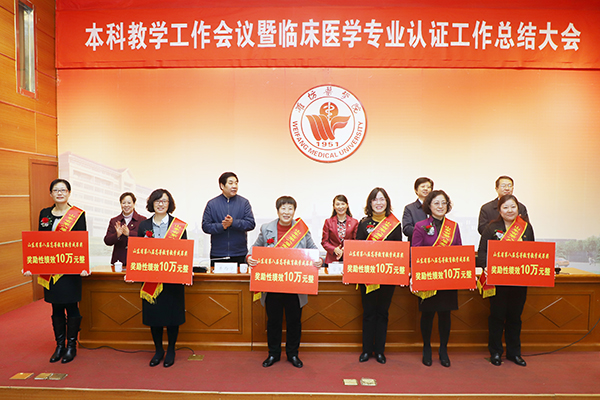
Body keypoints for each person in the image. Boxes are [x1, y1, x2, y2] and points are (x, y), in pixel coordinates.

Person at [247, 196, 323, 369]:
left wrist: (318, 260)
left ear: (294, 211)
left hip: (295, 285)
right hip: (273, 284)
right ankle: (273, 354)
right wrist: (249, 257)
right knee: (273, 321)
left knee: (294, 321)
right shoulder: (267, 228)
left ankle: (292, 354)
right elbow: (254, 249)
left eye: (290, 209)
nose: (286, 212)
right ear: (278, 210)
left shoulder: (302, 230)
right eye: (283, 208)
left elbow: (314, 250)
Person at [23, 179, 88, 363]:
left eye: (63, 190)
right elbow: (38, 244)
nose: (60, 193)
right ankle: (59, 346)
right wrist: (30, 265)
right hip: (51, 271)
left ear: (69, 193)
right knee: (56, 307)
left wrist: (82, 265)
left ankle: (71, 346)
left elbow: (80, 243)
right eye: (56, 190)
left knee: (72, 306)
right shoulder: (44, 214)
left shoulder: (78, 214)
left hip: (70, 269)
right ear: (51, 193)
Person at [478, 194, 534, 367]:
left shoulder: (526, 228)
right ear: (500, 210)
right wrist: (486, 265)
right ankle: (495, 352)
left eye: (513, 207)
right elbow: (481, 254)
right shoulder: (491, 228)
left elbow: (532, 252)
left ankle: (514, 353)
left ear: (518, 209)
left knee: (515, 317)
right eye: (506, 207)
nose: (510, 210)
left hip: (518, 280)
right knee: (497, 316)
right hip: (498, 281)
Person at [137, 189, 187, 368]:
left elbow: (183, 254)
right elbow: (139, 253)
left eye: (164, 201)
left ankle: (171, 349)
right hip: (151, 279)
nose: (160, 204)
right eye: (157, 201)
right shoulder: (144, 226)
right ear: (152, 203)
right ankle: (158, 350)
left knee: (172, 316)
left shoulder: (179, 226)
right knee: (154, 316)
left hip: (172, 279)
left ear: (169, 204)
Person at [412, 190, 462, 368]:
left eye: (444, 203)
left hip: (447, 279)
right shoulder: (420, 226)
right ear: (429, 206)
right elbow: (415, 252)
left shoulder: (454, 227)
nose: (440, 206)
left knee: (445, 315)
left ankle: (443, 350)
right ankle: (426, 348)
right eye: (437, 203)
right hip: (428, 279)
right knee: (427, 315)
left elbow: (459, 253)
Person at [356, 187, 403, 364]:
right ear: (370, 203)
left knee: (382, 313)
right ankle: (367, 350)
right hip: (367, 278)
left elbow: (399, 251)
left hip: (387, 277)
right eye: (375, 199)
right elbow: (358, 249)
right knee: (368, 313)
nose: (379, 202)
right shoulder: (363, 224)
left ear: (387, 202)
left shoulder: (395, 225)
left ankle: (380, 351)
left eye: (382, 199)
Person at [202, 172, 256, 265]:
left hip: (240, 253)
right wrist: (222, 226)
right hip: (218, 254)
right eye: (230, 183)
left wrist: (233, 223)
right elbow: (205, 226)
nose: (234, 186)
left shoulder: (244, 203)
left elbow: (251, 224)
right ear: (222, 186)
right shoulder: (212, 204)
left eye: (236, 183)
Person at [103, 192, 146, 266]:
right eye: (123, 203)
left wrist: (130, 234)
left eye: (129, 203)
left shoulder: (142, 220)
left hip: (137, 261)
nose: (126, 205)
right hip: (118, 262)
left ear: (134, 203)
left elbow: (146, 240)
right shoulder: (114, 220)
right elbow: (107, 241)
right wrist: (117, 235)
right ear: (120, 204)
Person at [321, 194, 359, 266]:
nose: (340, 207)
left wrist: (345, 249)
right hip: (332, 260)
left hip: (349, 258)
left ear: (347, 205)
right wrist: (335, 249)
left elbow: (356, 241)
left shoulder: (355, 222)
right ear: (334, 207)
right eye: (337, 204)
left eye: (343, 204)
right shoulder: (328, 222)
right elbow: (324, 242)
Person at [402, 177, 433, 242]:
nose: (425, 189)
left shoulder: (435, 208)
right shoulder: (409, 208)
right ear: (416, 190)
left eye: (428, 187)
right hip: (416, 245)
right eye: (423, 186)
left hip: (433, 246)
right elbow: (407, 229)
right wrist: (425, 231)